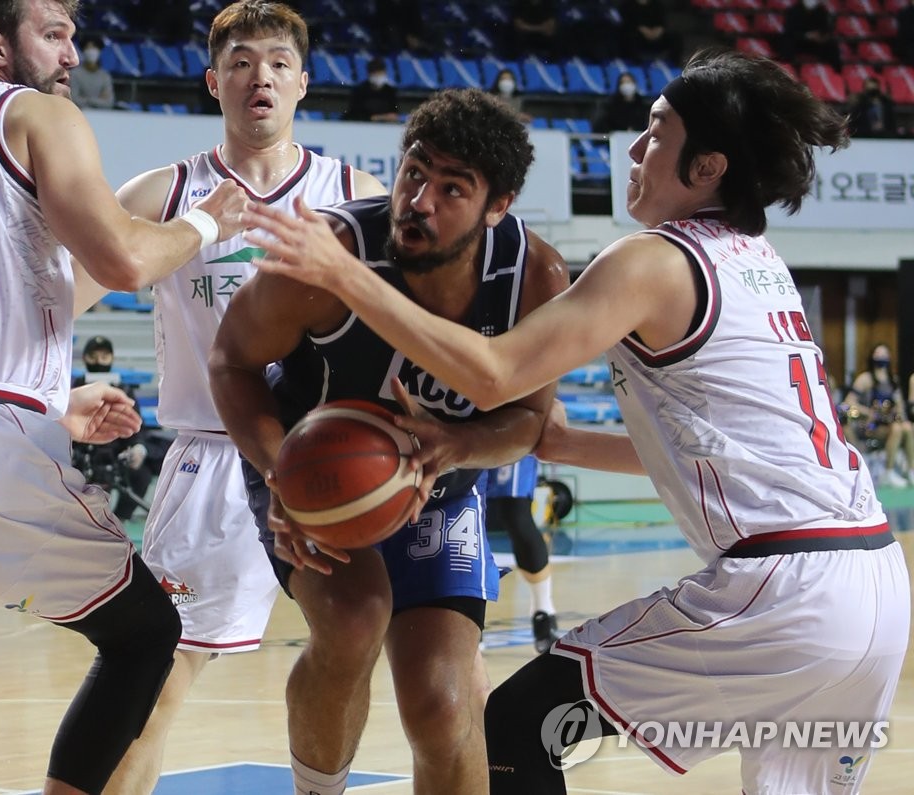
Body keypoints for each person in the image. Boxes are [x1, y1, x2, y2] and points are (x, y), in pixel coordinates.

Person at [238, 48, 910, 795]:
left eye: (656, 133)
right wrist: (493, 439)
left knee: (523, 720)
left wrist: (344, 275)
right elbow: (660, 444)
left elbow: (494, 372)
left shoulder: (652, 260)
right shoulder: (760, 261)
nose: (633, 148)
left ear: (708, 167)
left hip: (785, 588)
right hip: (875, 586)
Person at [0, 1, 252, 794]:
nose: (72, 54)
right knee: (145, 632)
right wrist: (206, 221)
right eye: (54, 34)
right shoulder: (37, 113)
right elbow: (123, 259)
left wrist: (47, 401)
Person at [209, 88, 570, 795]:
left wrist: (458, 446)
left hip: (446, 483)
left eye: (452, 189)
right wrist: (277, 469)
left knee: (441, 701)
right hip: (307, 466)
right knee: (353, 619)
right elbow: (231, 361)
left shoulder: (534, 277)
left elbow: (528, 421)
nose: (419, 200)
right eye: (414, 173)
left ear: (499, 205)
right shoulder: (329, 256)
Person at [96, 4, 388, 793]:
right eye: (241, 62)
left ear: (304, 80)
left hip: (336, 461)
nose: (260, 75)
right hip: (215, 460)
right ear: (212, 80)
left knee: (354, 655)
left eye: (277, 62)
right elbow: (63, 294)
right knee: (152, 688)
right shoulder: (163, 191)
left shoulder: (355, 193)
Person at [71, 336, 153, 522]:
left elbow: (137, 427)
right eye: (94, 356)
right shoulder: (74, 389)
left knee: (141, 475)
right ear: (85, 358)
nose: (99, 362)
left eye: (104, 356)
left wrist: (138, 448)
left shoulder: (123, 389)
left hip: (115, 452)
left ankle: (119, 521)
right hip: (82, 451)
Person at [485, 456, 561, 654]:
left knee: (516, 514)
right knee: (468, 513)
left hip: (507, 431)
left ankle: (543, 610)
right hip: (461, 431)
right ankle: (470, 618)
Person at [843, 343, 914, 487]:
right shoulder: (865, 378)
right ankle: (888, 473)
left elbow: (900, 406)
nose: (881, 357)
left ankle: (911, 470)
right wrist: (868, 412)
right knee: (897, 429)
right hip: (869, 425)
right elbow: (848, 403)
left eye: (884, 354)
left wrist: (898, 414)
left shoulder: (893, 381)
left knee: (906, 426)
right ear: (872, 357)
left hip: (889, 423)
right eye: (878, 354)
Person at [780, 0, 842, 72]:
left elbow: (825, 28)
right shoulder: (793, 11)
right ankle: (788, 69)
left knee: (832, 45)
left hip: (814, 43)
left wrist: (823, 36)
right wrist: (807, 35)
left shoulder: (821, 11)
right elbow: (789, 31)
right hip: (798, 41)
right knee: (787, 42)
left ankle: (835, 73)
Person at [618, 0, 683, 65]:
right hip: (638, 37)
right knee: (629, 37)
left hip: (656, 36)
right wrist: (643, 30)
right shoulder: (627, 5)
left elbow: (662, 23)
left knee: (675, 37)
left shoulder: (657, 5)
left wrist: (658, 31)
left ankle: (674, 65)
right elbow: (627, 24)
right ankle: (637, 65)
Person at [343, 56, 400, 123]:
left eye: (381, 73)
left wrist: (382, 118)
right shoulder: (359, 91)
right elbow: (353, 114)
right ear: (369, 74)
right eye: (375, 74)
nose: (378, 76)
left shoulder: (390, 91)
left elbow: (394, 114)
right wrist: (376, 118)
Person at [69, 34, 114, 109]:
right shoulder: (75, 74)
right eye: (88, 48)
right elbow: (73, 99)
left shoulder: (105, 76)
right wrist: (98, 100)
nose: (91, 51)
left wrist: (87, 100)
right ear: (83, 51)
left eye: (94, 47)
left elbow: (109, 102)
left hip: (101, 115)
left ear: (99, 51)